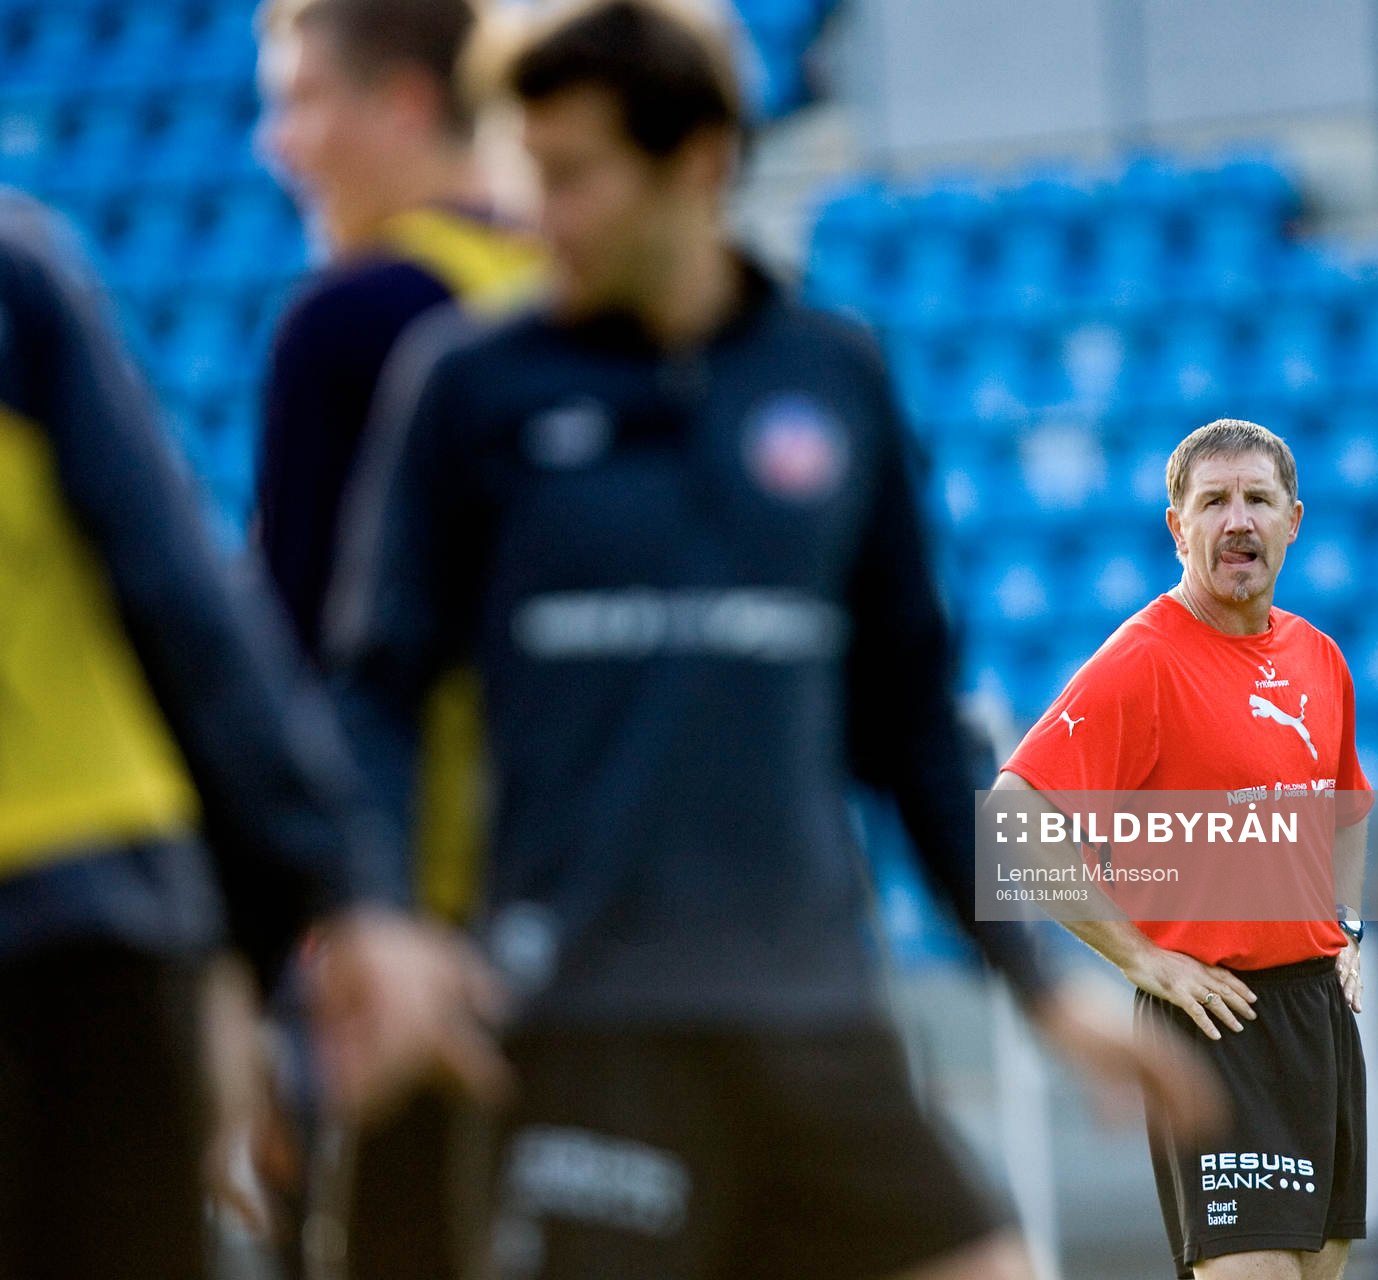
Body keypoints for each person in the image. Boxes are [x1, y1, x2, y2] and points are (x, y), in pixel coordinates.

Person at [327, 2, 1221, 1277]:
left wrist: (1046, 980)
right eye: (531, 171)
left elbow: (914, 720)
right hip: (587, 1023)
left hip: (817, 1017)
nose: (539, 217)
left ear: (699, 164)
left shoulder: (833, 375)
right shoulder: (469, 385)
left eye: (574, 176)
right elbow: (374, 694)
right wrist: (381, 913)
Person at [0, 191, 504, 1279]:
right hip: (101, 925)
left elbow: (957, 732)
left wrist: (984, 922)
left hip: (532, 938)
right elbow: (192, 599)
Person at [254, 5, 546, 1270]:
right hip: (628, 912)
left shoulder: (356, 318)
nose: (280, 144)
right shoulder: (601, 288)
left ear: (412, 103)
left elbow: (285, 661)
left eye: (307, 99)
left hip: (415, 922)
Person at [994, 419, 1372, 1280]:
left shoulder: (1320, 658)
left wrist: (1347, 926)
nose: (1237, 521)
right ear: (1178, 527)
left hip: (1318, 1024)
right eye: (1213, 503)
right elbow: (1015, 817)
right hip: (1215, 1028)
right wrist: (1141, 959)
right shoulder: (1144, 660)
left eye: (1257, 500)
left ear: (1294, 520)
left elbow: (1345, 809)